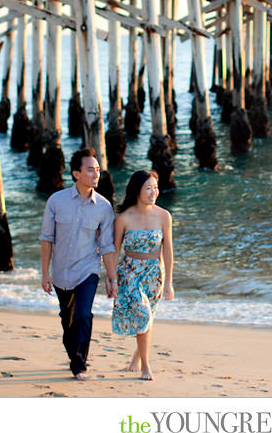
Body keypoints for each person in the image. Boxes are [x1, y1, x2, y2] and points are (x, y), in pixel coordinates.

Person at [40, 148, 117, 381]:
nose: (96, 174)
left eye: (98, 170)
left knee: (83, 315)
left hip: (88, 270)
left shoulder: (104, 207)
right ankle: (74, 354)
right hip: (61, 272)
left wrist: (112, 278)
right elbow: (46, 238)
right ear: (76, 173)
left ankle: (80, 364)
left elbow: (107, 247)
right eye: (90, 170)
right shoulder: (56, 201)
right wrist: (45, 274)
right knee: (68, 321)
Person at [111, 170, 174, 380]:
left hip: (155, 273)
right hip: (129, 273)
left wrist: (169, 283)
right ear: (137, 190)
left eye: (155, 188)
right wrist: (110, 278)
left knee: (148, 318)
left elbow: (168, 250)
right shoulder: (123, 218)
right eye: (148, 188)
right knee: (143, 314)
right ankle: (146, 366)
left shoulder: (164, 216)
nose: (153, 192)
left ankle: (137, 358)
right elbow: (113, 250)